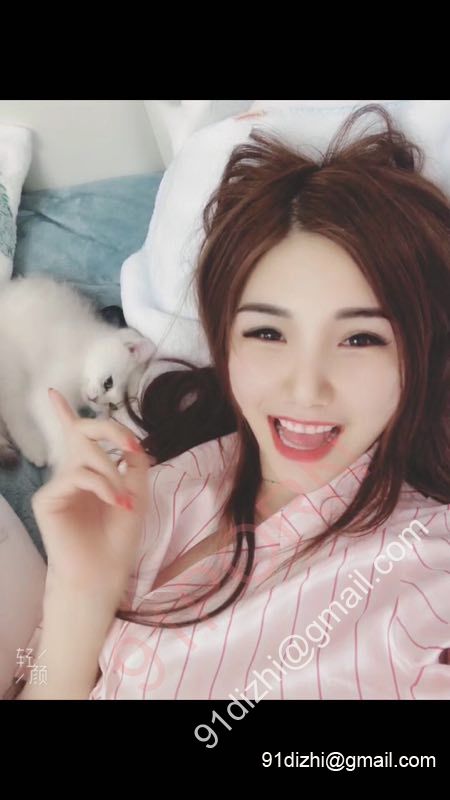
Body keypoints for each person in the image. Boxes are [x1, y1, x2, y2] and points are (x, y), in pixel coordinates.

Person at [8, 104, 450, 700]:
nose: (306, 388)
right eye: (267, 332)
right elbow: (38, 683)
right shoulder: (152, 489)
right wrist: (77, 596)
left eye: (360, 339)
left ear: (418, 354)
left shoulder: (428, 573)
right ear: (225, 341)